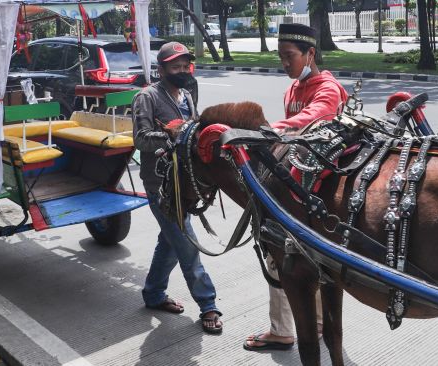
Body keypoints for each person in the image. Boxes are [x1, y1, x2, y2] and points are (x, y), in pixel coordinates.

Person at [244, 23, 348, 351]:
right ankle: (314, 323)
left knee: (281, 258)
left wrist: (272, 128)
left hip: (319, 194)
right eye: (280, 57)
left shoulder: (327, 88)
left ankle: (282, 330)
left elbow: (316, 116)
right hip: (297, 186)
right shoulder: (292, 89)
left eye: (289, 56)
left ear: (310, 54)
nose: (284, 63)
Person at [132, 41, 223, 334]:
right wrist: (175, 135)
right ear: (162, 70)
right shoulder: (146, 97)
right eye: (176, 67)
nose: (182, 71)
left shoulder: (186, 94)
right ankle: (208, 304)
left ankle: (153, 293)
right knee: (186, 243)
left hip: (183, 180)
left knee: (170, 240)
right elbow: (141, 139)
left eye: (186, 66)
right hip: (160, 183)